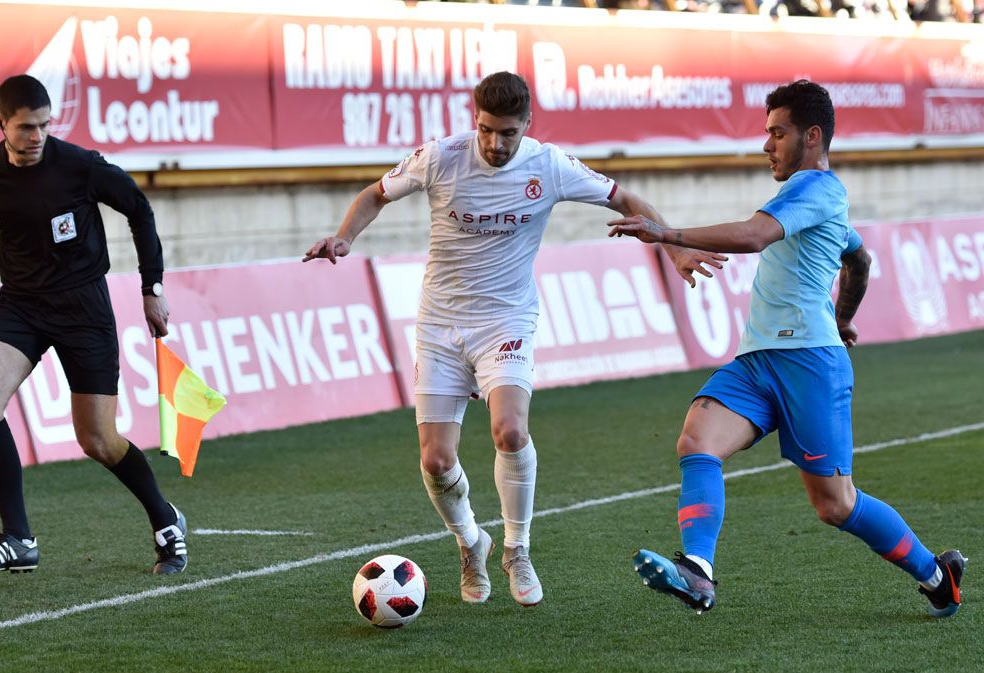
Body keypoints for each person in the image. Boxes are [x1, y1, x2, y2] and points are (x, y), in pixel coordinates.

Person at [304, 71, 725, 607]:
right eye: (485, 130)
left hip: (507, 321)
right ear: (472, 119)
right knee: (435, 460)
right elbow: (375, 194)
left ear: (527, 124)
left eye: (507, 133)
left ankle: (516, 549)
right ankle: (469, 544)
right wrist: (343, 237)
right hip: (439, 325)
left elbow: (626, 198)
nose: (495, 144)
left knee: (508, 428)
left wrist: (674, 248)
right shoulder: (440, 157)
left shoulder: (549, 165)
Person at [609, 80, 965, 617]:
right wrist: (843, 317)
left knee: (835, 504)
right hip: (758, 361)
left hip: (808, 365)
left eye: (778, 132)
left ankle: (939, 577)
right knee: (696, 442)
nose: (766, 144)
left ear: (812, 136)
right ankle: (698, 572)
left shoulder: (817, 189)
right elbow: (859, 260)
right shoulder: (807, 201)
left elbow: (755, 237)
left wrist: (668, 233)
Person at [0, 75, 188, 576]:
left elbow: (139, 210)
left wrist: (153, 289)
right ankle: (19, 539)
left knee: (98, 441)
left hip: (84, 311)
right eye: (25, 127)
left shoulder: (80, 165)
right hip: (21, 306)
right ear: (1, 125)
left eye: (44, 125)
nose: (36, 136)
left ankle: (164, 518)